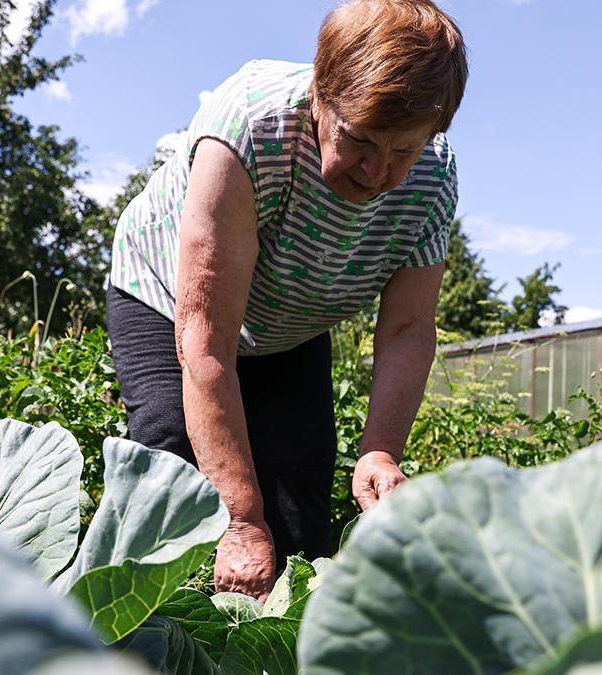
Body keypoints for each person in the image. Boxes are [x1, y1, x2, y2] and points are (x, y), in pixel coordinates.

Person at [105, 0, 467, 599]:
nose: (378, 171)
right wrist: (241, 520)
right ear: (320, 96)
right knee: (170, 464)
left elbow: (407, 328)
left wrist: (380, 451)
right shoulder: (249, 128)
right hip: (170, 300)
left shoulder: (433, 176)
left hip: (289, 320)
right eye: (359, 141)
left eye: (402, 151)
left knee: (298, 497)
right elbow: (206, 340)